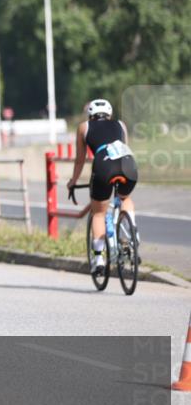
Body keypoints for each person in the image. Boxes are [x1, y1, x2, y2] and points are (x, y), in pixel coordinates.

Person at [66, 99, 138, 277]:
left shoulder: (84, 127)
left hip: (104, 167)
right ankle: (132, 233)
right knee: (124, 198)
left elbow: (80, 160)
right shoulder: (121, 125)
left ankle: (99, 260)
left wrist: (73, 181)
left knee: (98, 212)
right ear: (110, 113)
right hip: (128, 163)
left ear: (90, 115)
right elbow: (124, 146)